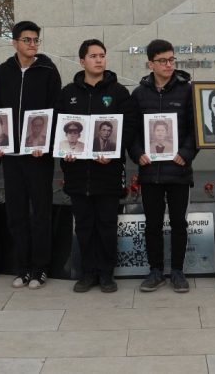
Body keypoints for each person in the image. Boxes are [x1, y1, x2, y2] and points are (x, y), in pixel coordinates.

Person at [55, 39, 138, 294]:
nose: (99, 60)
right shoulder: (68, 93)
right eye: (93, 56)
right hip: (78, 173)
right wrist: (64, 154)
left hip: (108, 173)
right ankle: (88, 273)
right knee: (84, 226)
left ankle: (106, 274)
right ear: (82, 61)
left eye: (102, 55)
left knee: (106, 225)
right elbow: (59, 128)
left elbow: (129, 127)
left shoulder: (118, 92)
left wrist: (112, 154)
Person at [0, 21, 61, 289]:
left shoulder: (48, 71)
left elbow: (55, 110)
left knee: (40, 211)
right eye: (27, 40)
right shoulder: (3, 72)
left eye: (35, 40)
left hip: (38, 154)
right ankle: (22, 267)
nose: (32, 44)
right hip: (10, 154)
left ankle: (40, 268)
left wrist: (47, 143)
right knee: (15, 212)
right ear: (15, 42)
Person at [130, 39, 196, 294]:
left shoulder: (186, 90)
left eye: (171, 59)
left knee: (179, 223)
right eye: (163, 61)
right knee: (153, 224)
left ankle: (178, 272)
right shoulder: (139, 93)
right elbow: (132, 131)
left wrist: (186, 153)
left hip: (179, 170)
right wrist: (138, 154)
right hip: (150, 172)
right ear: (150, 64)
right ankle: (155, 270)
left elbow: (194, 129)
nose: (169, 64)